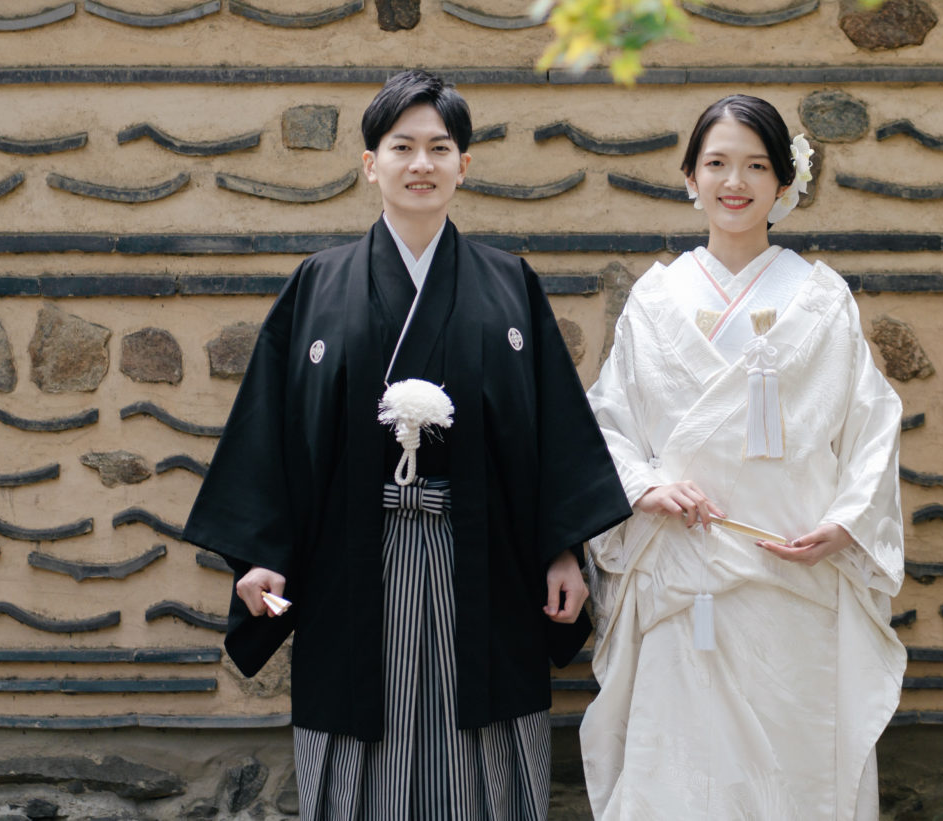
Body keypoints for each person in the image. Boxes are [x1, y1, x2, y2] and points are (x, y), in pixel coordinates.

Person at [185, 69, 631, 820]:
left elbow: (549, 430)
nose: (421, 163)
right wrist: (262, 553)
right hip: (351, 560)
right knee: (361, 740)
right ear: (371, 164)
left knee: (481, 746)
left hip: (483, 557)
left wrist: (561, 551)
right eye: (402, 147)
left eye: (439, 148)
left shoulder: (509, 284)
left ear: (464, 165)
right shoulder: (319, 284)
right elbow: (275, 432)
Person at [579, 94, 906, 821]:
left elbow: (872, 422)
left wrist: (848, 522)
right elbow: (609, 420)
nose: (735, 182)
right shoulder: (655, 299)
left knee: (794, 760)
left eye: (757, 166)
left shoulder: (821, 298)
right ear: (689, 177)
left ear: (785, 183)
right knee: (682, 763)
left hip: (792, 565)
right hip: (682, 565)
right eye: (717, 163)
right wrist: (645, 486)